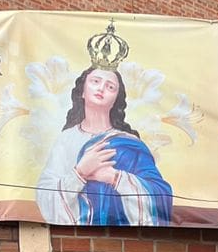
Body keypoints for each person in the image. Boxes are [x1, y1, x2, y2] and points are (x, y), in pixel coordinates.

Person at [36, 65, 173, 227]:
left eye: (110, 87)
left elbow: (160, 195)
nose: (101, 88)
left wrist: (114, 177)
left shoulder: (130, 144)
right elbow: (45, 194)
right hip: (78, 235)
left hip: (122, 235)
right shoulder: (65, 139)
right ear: (82, 91)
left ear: (116, 100)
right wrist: (80, 173)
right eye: (95, 81)